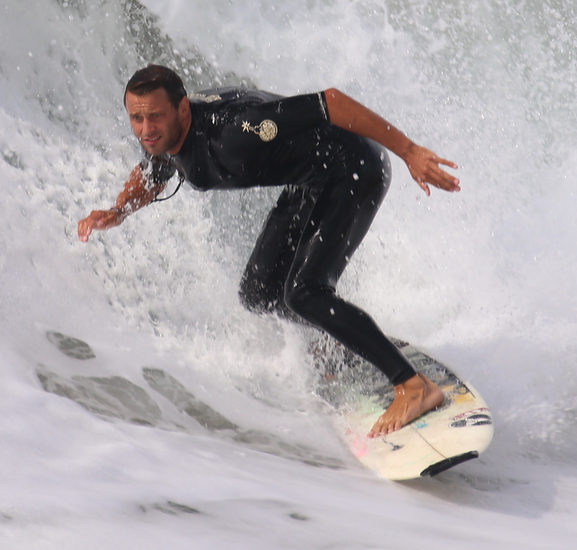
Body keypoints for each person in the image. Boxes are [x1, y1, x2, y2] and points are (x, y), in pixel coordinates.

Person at [77, 64, 461, 437]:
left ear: (181, 109)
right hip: (310, 179)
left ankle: (413, 386)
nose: (146, 130)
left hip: (353, 167)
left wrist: (410, 151)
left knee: (306, 292)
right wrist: (118, 210)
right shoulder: (167, 134)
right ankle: (341, 341)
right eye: (137, 119)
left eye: (155, 117)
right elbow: (154, 170)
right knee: (259, 294)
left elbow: (331, 102)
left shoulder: (236, 131)